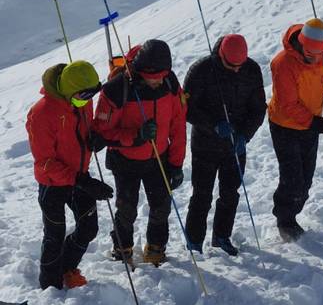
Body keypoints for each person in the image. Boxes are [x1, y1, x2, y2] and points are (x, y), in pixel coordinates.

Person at [93, 39, 187, 266]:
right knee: (127, 209)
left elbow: (177, 125)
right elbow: (101, 132)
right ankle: (121, 247)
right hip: (125, 160)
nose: (156, 81)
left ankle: (156, 247)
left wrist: (176, 164)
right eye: (150, 76)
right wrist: (136, 136)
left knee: (161, 206)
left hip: (158, 157)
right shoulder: (117, 89)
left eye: (160, 76)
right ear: (139, 70)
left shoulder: (171, 84)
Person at [26, 60, 112, 290]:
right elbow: (44, 163)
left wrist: (95, 136)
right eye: (83, 95)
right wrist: (82, 180)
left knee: (89, 227)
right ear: (68, 90)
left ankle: (66, 267)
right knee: (54, 236)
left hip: (80, 174)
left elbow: (86, 126)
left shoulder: (81, 100)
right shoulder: (41, 113)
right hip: (52, 184)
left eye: (90, 94)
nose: (87, 100)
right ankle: (50, 287)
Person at [268, 18, 323, 241]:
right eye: (310, 54)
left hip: (311, 123)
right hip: (284, 125)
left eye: (319, 54)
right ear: (301, 44)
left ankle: (292, 213)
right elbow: (289, 105)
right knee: (292, 178)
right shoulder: (283, 63)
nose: (314, 58)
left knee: (305, 179)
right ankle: (285, 221)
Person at [184, 34, 266, 256]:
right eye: (231, 65)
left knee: (230, 193)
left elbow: (259, 108)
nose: (237, 70)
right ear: (221, 56)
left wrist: (245, 135)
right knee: (202, 194)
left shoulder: (251, 70)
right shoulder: (201, 70)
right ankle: (193, 241)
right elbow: (187, 108)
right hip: (205, 144)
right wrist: (213, 125)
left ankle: (222, 236)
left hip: (235, 144)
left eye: (240, 65)